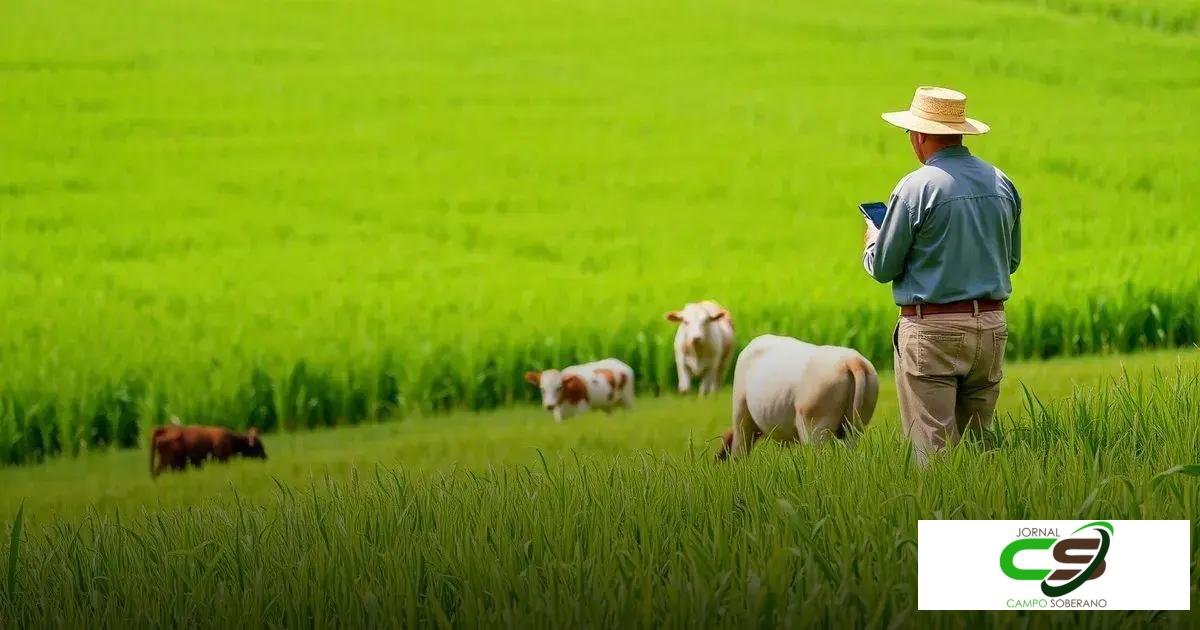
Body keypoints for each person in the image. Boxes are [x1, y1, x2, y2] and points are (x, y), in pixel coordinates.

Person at [863, 86, 1021, 462]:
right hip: (991, 327)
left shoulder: (915, 188)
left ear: (919, 135)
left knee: (933, 452)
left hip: (931, 332)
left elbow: (883, 268)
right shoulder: (1002, 182)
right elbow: (1011, 261)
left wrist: (872, 240)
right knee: (980, 448)